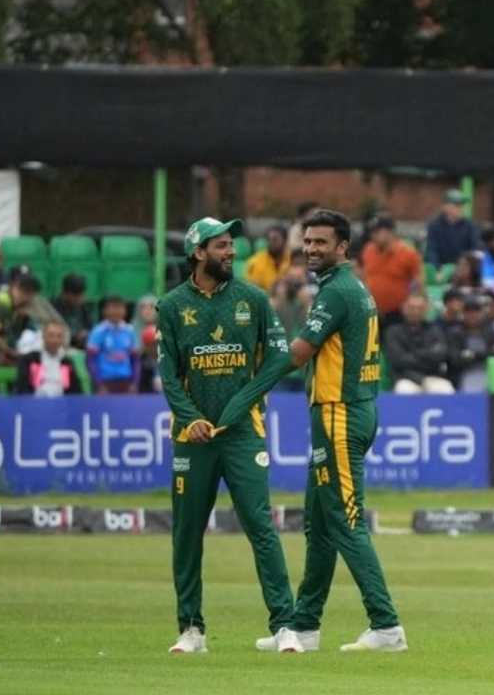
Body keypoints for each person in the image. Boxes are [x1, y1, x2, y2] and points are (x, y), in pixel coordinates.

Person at [225, 208, 406, 653]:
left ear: (343, 247)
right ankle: (304, 626)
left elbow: (299, 353)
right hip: (343, 412)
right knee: (319, 525)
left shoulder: (337, 291)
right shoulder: (347, 287)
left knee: (345, 521)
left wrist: (247, 391)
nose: (311, 249)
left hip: (340, 413)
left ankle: (386, 625)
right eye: (307, 241)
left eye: (321, 242)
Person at [157, 216, 298, 654]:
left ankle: (284, 625)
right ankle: (191, 630)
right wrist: (190, 419)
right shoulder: (171, 306)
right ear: (198, 252)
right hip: (193, 438)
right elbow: (168, 375)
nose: (231, 251)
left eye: (231, 244)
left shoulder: (253, 299)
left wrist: (241, 404)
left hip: (243, 433)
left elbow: (280, 360)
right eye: (221, 245)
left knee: (260, 525)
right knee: (187, 533)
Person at [359, 217, 424, 326]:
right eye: (372, 232)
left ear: (389, 233)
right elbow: (364, 276)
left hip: (398, 313)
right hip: (372, 311)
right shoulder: (368, 250)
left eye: (377, 232)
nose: (373, 236)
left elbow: (418, 283)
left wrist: (411, 307)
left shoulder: (408, 253)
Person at [384, 293, 453, 393]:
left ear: (426, 309)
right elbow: (398, 360)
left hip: (433, 377)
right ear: (403, 308)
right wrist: (427, 354)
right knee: (404, 389)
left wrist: (413, 354)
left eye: (420, 308)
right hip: (405, 378)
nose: (415, 311)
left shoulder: (436, 330)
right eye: (412, 307)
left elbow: (440, 356)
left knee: (445, 389)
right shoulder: (393, 331)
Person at [0, 272, 42, 365]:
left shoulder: (15, 307)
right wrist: (11, 352)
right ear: (14, 287)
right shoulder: (1, 303)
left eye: (31, 293)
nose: (27, 298)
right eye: (24, 291)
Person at [86, 295, 141, 394]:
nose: (116, 311)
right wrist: (99, 384)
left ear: (125, 310)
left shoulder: (130, 331)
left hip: (126, 382)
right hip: (105, 382)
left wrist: (134, 383)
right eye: (112, 307)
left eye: (119, 307)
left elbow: (135, 360)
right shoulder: (98, 331)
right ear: (104, 311)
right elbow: (90, 360)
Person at [446, 297, 494, 392]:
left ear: (481, 313)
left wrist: (472, 355)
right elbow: (455, 359)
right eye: (468, 312)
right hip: (464, 373)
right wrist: (483, 354)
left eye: (476, 311)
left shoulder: (490, 332)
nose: (472, 315)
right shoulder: (455, 333)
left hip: (489, 371)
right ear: (463, 313)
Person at [14, 320, 81, 396]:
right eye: (51, 335)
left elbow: (76, 390)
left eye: (59, 336)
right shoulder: (29, 360)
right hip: (35, 401)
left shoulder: (66, 362)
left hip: (61, 401)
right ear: (43, 336)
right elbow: (21, 388)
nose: (55, 340)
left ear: (63, 339)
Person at [425, 189, 482, 268]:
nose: (460, 209)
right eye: (456, 205)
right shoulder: (434, 225)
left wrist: (464, 268)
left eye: (461, 206)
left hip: (462, 269)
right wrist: (437, 269)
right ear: (445, 207)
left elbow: (475, 249)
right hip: (441, 269)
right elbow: (431, 250)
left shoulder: (470, 226)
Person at [51, 273, 95, 349]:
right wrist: (75, 336)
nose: (81, 299)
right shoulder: (53, 308)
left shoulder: (82, 307)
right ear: (65, 294)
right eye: (76, 296)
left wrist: (86, 333)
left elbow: (90, 328)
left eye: (81, 295)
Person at [245, 225, 292, 292]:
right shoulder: (255, 261)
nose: (271, 243)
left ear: (285, 240)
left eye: (275, 239)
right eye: (268, 239)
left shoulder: (293, 259)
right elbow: (253, 289)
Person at [133, 294, 161, 393]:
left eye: (151, 307)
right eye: (143, 307)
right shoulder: (130, 330)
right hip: (140, 373)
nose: (147, 310)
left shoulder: (166, 328)